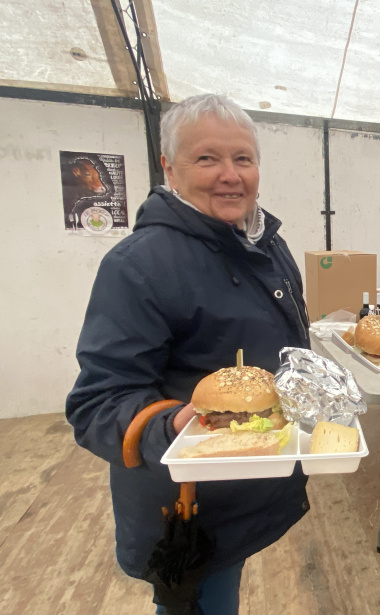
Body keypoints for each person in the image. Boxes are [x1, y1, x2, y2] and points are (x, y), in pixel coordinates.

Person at [65, 94, 311, 615]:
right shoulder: (138, 266)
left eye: (243, 159)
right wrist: (175, 425)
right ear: (169, 168)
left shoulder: (265, 244)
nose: (230, 175)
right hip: (186, 504)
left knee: (223, 589)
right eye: (208, 159)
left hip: (243, 490)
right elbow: (96, 405)